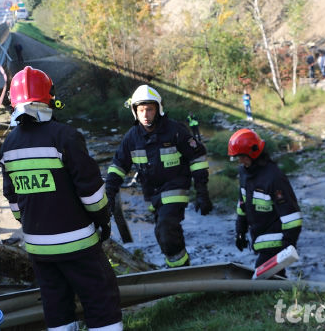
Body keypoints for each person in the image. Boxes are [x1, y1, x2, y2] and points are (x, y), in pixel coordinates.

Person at [0, 66, 122, 331]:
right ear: (49, 98)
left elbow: (13, 199)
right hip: (78, 243)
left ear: (13, 102)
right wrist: (103, 221)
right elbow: (91, 194)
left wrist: (32, 223)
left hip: (38, 248)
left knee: (56, 305)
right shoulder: (66, 137)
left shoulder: (8, 145)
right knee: (101, 300)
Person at [105, 84, 212, 268]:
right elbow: (118, 167)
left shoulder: (175, 130)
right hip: (151, 194)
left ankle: (181, 273)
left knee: (166, 229)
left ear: (158, 109)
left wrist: (202, 191)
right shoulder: (132, 137)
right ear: (135, 112)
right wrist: (109, 194)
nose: (145, 115)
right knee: (163, 236)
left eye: (150, 109)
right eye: (141, 110)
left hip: (175, 187)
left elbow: (197, 157)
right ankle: (179, 269)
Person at [228, 128, 302, 278]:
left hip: (277, 243)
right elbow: (242, 204)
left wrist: (287, 247)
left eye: (242, 156)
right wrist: (240, 231)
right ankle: (282, 298)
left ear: (253, 152)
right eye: (237, 157)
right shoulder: (244, 173)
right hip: (259, 238)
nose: (240, 161)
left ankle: (282, 298)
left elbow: (292, 217)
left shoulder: (274, 178)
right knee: (273, 280)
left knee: (262, 278)